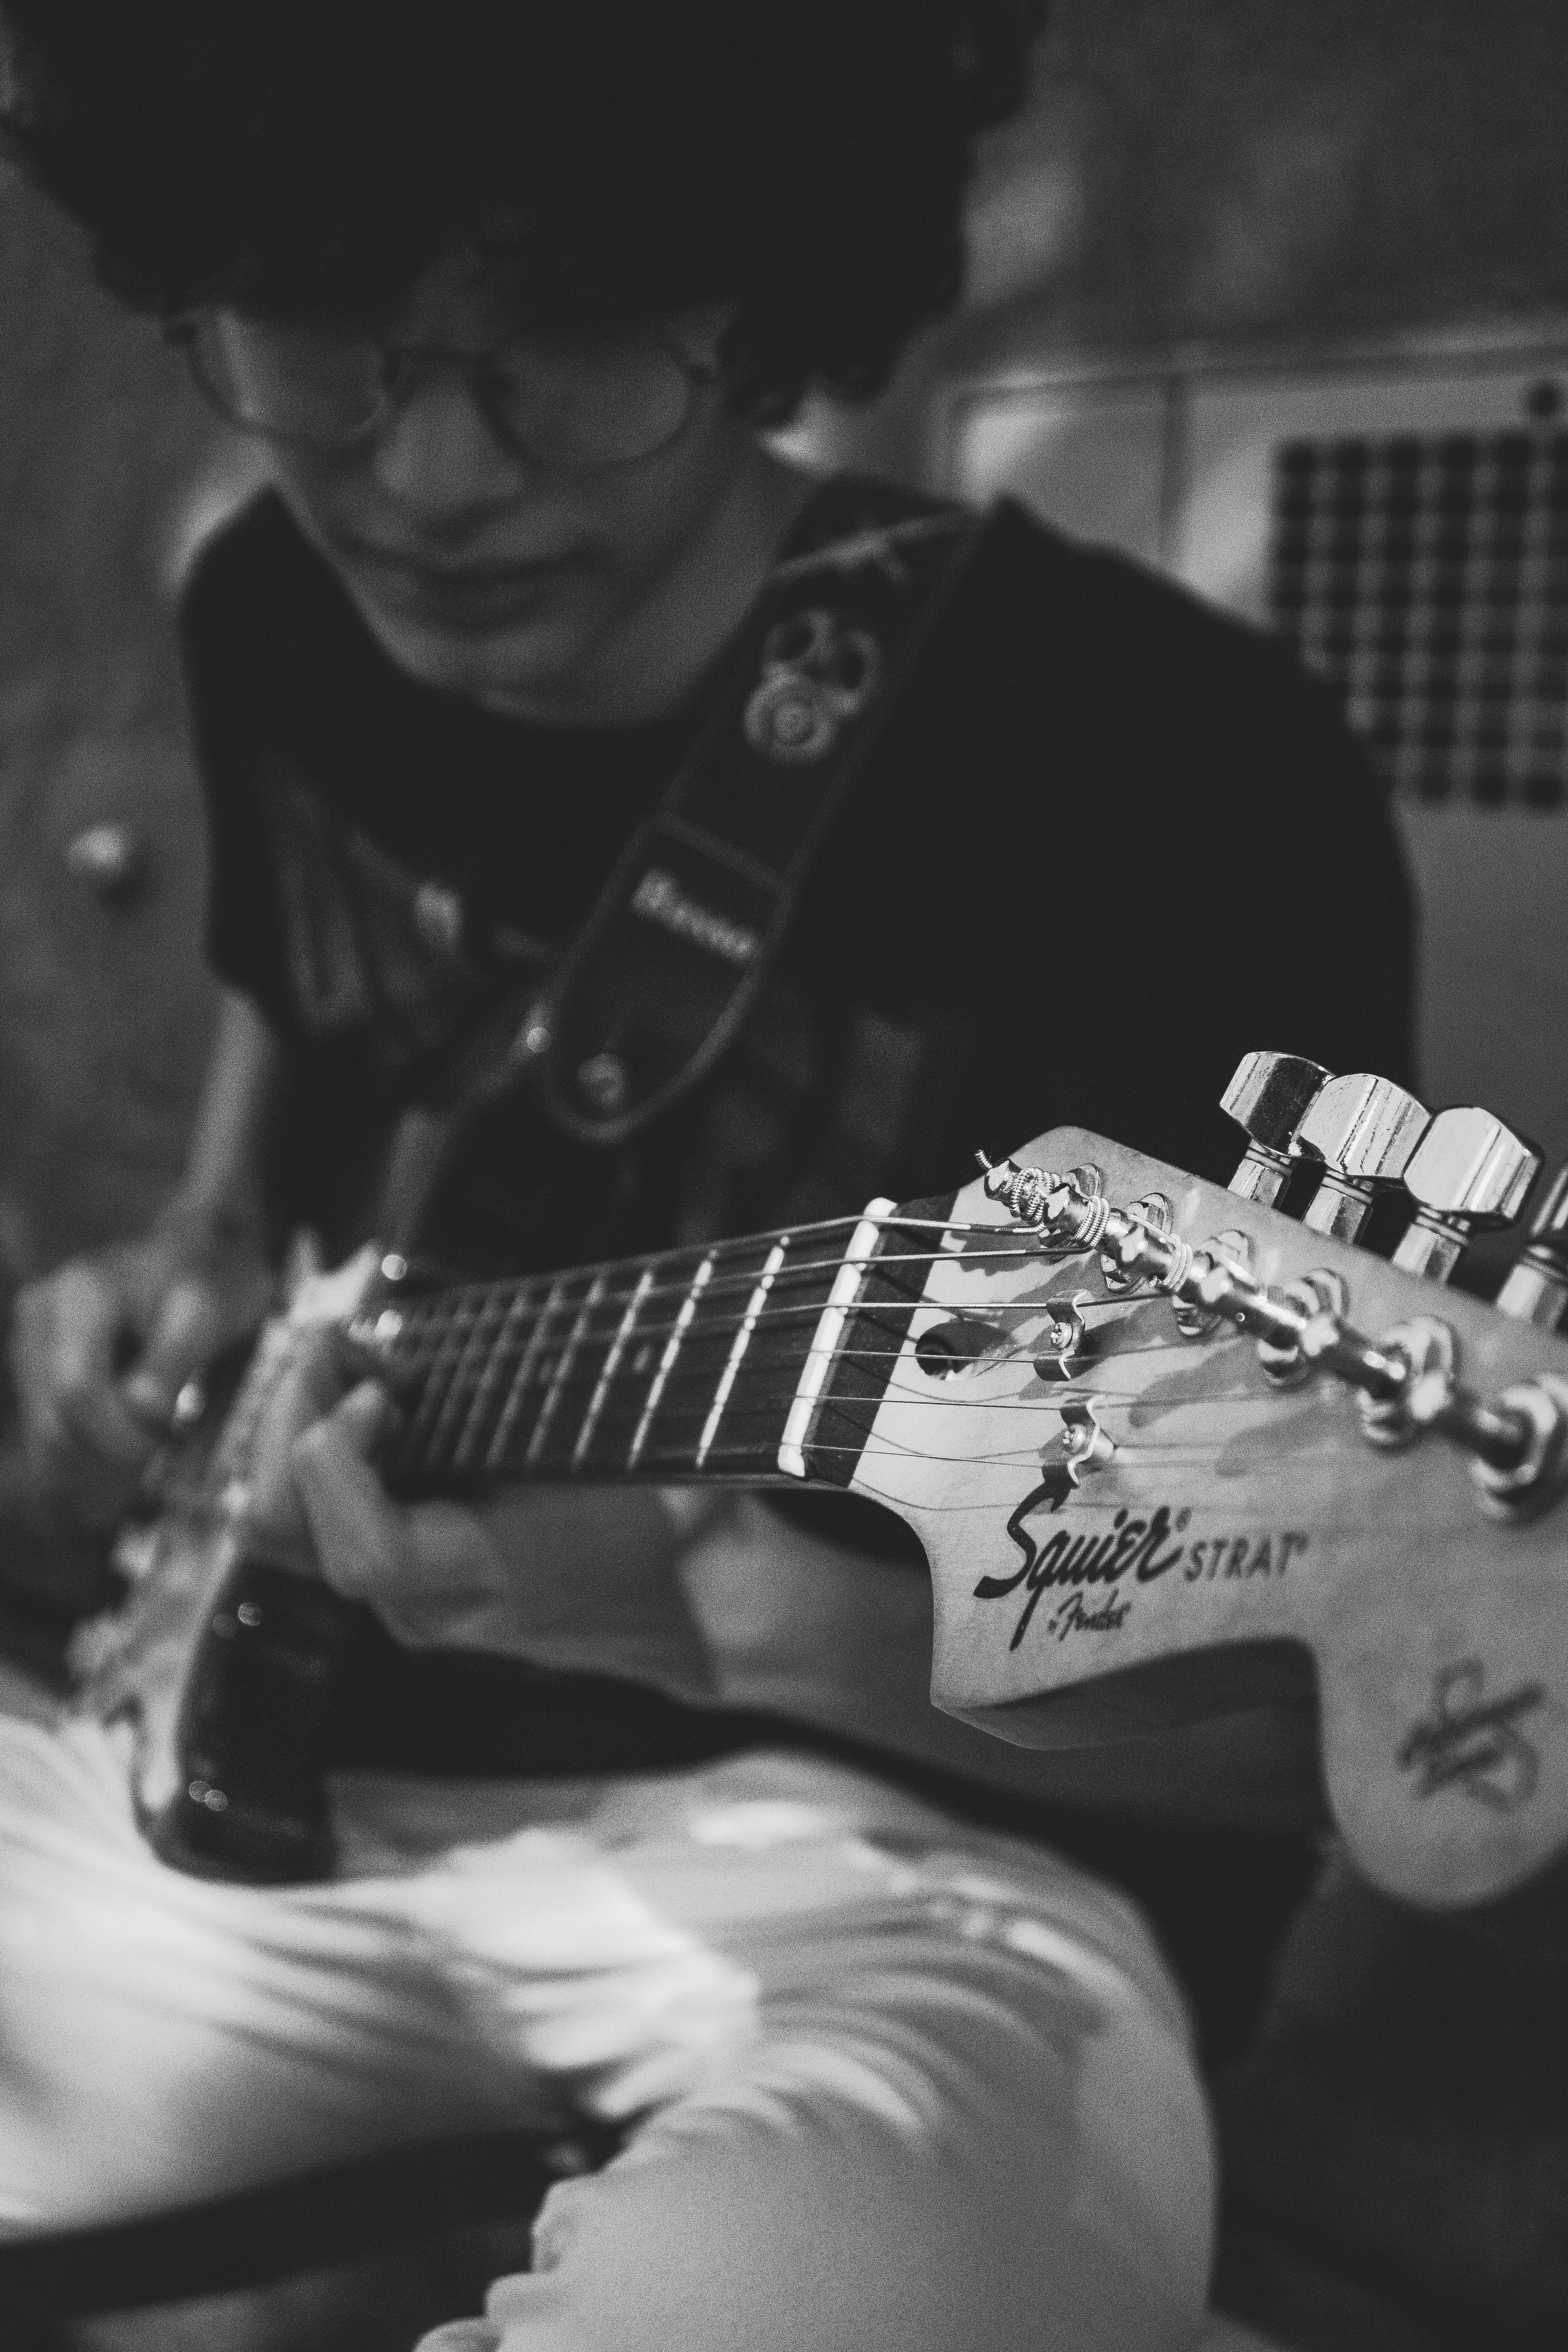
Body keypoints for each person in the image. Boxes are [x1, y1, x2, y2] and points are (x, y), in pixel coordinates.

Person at [0, 5, 1414, 2349]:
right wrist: (184, 1276)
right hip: (264, 1782)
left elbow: (1291, 1733)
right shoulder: (270, 606)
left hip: (920, 1887)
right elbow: (295, 1085)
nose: (431, 472)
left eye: (565, 338)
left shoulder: (1170, 767)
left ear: (757, 301)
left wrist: (726, 1617)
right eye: (324, 329)